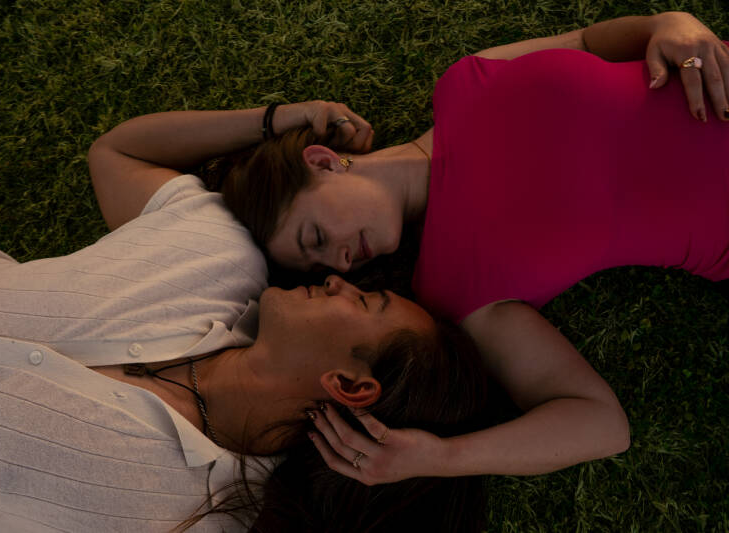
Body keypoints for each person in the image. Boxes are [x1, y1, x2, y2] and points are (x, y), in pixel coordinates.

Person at [216, 11, 729, 485]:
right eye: (318, 263)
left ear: (325, 162)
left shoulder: (466, 82)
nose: (340, 263)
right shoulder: (455, 287)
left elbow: (590, 41)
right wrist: (441, 458)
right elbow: (600, 423)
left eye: (317, 237)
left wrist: (671, 22)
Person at [0, 103, 491, 530]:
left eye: (365, 303)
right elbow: (119, 154)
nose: (340, 279)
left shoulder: (194, 513)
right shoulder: (216, 254)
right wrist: (275, 119)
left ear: (349, 385)